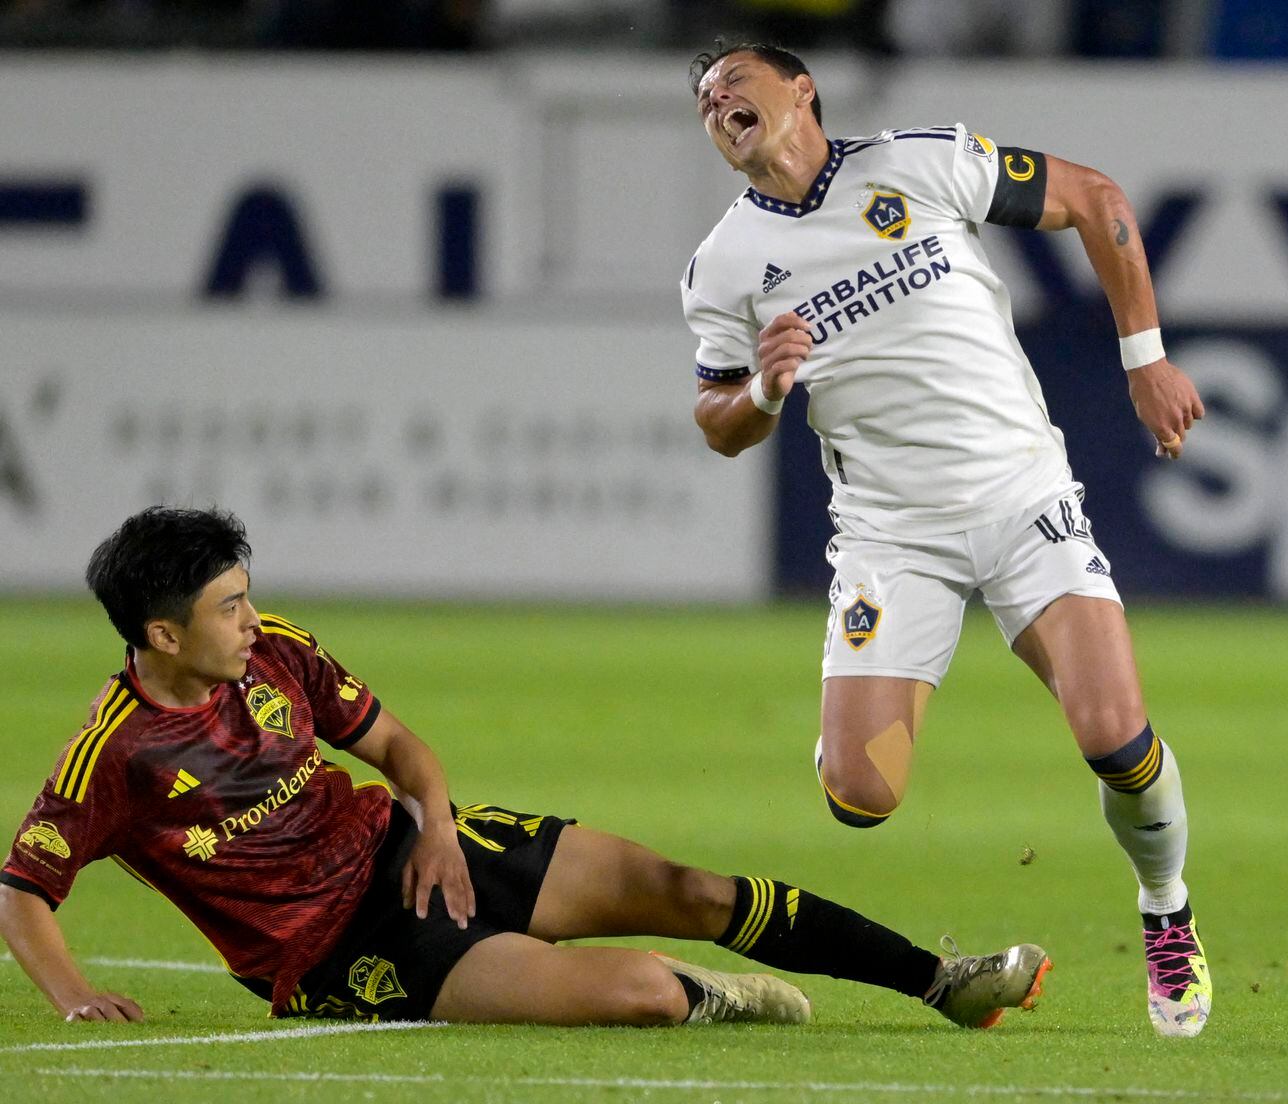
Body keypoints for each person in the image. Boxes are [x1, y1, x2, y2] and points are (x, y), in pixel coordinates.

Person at [0, 506, 1051, 1029]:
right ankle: (710, 996)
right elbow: (23, 892)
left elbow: (397, 747)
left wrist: (440, 824)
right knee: (640, 995)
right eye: (225, 608)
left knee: (686, 887)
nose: (247, 616)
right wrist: (73, 995)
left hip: (411, 848)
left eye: (243, 595)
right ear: (162, 635)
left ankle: (939, 981)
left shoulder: (273, 650)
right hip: (336, 954)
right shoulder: (112, 757)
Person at [682, 42, 1211, 1037]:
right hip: (891, 535)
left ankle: (1164, 907)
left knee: (1115, 741)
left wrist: (1143, 359)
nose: (715, 101)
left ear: (801, 90)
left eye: (733, 83)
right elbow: (716, 422)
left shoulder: (914, 164)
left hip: (1020, 497)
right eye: (702, 99)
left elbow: (1093, 197)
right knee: (859, 795)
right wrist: (758, 391)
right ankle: (871, 681)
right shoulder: (722, 267)